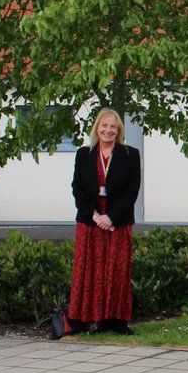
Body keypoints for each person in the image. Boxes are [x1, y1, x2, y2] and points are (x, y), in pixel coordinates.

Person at [69, 108, 142, 335]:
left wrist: (110, 217)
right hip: (90, 223)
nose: (108, 130)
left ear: (118, 130)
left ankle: (115, 320)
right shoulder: (84, 154)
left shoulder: (130, 155)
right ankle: (83, 319)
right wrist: (94, 216)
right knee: (88, 270)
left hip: (117, 223)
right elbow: (77, 188)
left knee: (116, 271)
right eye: (104, 125)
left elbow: (132, 190)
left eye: (113, 126)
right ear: (97, 128)